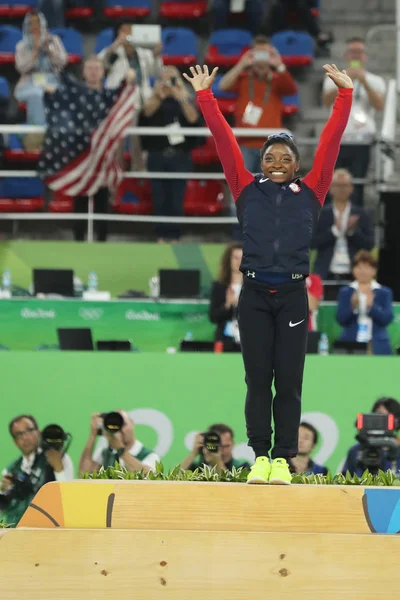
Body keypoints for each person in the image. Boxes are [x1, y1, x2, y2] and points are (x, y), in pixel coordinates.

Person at [183, 62, 352, 485]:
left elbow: (330, 143)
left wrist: (345, 96)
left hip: (294, 297)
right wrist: (206, 97)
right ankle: (260, 456)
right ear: (261, 162)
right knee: (258, 380)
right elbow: (223, 140)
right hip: (255, 296)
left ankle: (283, 460)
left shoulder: (312, 191)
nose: (277, 163)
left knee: (289, 382)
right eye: (270, 157)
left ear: (297, 165)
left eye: (285, 158)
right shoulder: (244, 188)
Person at [139, 66, 203, 242]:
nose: (168, 83)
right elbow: (146, 113)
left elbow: (193, 119)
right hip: (157, 155)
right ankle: (160, 235)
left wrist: (180, 97)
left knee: (176, 198)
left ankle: (174, 235)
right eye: (164, 79)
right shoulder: (154, 99)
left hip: (180, 156)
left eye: (172, 79)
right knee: (159, 198)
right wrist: (159, 95)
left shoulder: (185, 98)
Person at [218, 35, 298, 173]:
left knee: (270, 188)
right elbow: (223, 86)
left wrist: (279, 64)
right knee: (242, 188)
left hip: (271, 145)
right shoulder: (243, 77)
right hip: (244, 144)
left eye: (265, 53)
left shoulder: (278, 79)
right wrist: (241, 64)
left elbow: (292, 90)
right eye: (258, 53)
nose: (261, 59)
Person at [322, 38, 386, 205]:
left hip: (362, 139)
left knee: (358, 183)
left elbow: (379, 105)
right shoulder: (332, 77)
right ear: (346, 56)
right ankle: (332, 219)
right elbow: (326, 101)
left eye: (359, 52)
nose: (356, 56)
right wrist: (344, 81)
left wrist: (363, 81)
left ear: (365, 56)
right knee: (332, 182)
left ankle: (355, 220)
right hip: (337, 139)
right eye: (353, 52)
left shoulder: (375, 80)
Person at [0, 415, 74, 527]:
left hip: (47, 528)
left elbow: (68, 499)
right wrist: (3, 491)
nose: (25, 437)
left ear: (38, 432)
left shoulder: (60, 458)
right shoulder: (11, 469)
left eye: (29, 430)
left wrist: (59, 469)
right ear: (14, 441)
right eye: (19, 434)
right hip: (15, 531)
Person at [72, 56, 111, 243]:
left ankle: (102, 239)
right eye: (90, 68)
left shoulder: (110, 97)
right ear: (83, 72)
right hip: (80, 154)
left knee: (102, 199)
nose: (94, 71)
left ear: (103, 72)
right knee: (80, 198)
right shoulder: (75, 96)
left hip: (103, 155)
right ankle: (78, 239)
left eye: (97, 68)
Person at [311, 168, 374, 280]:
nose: (341, 189)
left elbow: (369, 244)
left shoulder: (361, 214)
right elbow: (311, 243)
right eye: (337, 185)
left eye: (345, 185)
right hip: (325, 274)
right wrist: (334, 231)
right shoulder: (321, 214)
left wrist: (352, 231)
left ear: (351, 188)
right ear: (330, 188)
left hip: (354, 275)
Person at [15, 11, 67, 128]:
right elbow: (21, 67)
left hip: (52, 80)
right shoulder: (21, 45)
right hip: (29, 83)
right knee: (37, 93)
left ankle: (57, 129)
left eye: (37, 22)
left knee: (59, 93)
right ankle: (38, 132)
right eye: (31, 23)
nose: (35, 26)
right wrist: (35, 52)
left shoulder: (54, 40)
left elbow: (62, 61)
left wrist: (50, 51)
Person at [336, 250, 393, 355]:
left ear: (374, 270)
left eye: (367, 267)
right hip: (351, 344)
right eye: (359, 267)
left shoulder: (384, 292)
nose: (363, 271)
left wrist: (372, 307)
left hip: (377, 345)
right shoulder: (346, 292)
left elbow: (386, 319)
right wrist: (353, 306)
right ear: (353, 270)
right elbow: (341, 320)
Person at [79, 411, 160, 476]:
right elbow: (83, 474)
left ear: (132, 423)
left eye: (123, 425)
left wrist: (120, 450)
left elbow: (148, 476)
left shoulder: (148, 455)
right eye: (115, 426)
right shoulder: (105, 453)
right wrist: (93, 435)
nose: (120, 430)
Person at [98, 22, 163, 104]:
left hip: (142, 97)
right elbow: (99, 65)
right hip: (118, 96)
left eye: (130, 30)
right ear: (118, 33)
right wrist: (116, 44)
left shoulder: (145, 53)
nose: (128, 34)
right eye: (124, 31)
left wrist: (156, 56)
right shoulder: (113, 50)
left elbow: (158, 73)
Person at [342, 398, 400, 476]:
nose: (380, 422)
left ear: (397, 421)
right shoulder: (356, 450)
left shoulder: (396, 448)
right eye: (377, 416)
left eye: (385, 418)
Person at [180, 424, 251, 473]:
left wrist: (216, 461)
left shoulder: (242, 467)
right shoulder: (197, 466)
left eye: (226, 446)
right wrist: (194, 452)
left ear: (233, 444)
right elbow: (175, 480)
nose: (222, 452)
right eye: (218, 446)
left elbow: (231, 488)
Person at [209, 242, 243, 346]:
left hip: (249, 341)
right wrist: (227, 305)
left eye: (242, 258)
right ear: (228, 260)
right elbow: (213, 317)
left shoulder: (254, 287)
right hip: (224, 341)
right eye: (235, 258)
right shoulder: (219, 286)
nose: (239, 262)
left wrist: (240, 304)